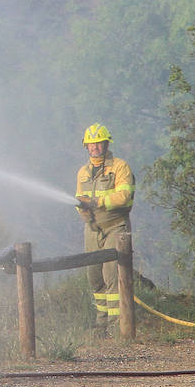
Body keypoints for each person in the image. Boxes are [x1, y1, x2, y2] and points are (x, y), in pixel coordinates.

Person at [75, 123, 135, 328]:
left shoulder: (120, 167)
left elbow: (125, 196)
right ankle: (101, 325)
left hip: (115, 227)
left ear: (107, 143)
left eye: (99, 143)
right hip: (92, 229)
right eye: (91, 144)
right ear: (86, 146)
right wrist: (81, 209)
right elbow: (79, 198)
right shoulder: (83, 172)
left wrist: (98, 203)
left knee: (112, 277)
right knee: (95, 278)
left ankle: (118, 326)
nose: (95, 147)